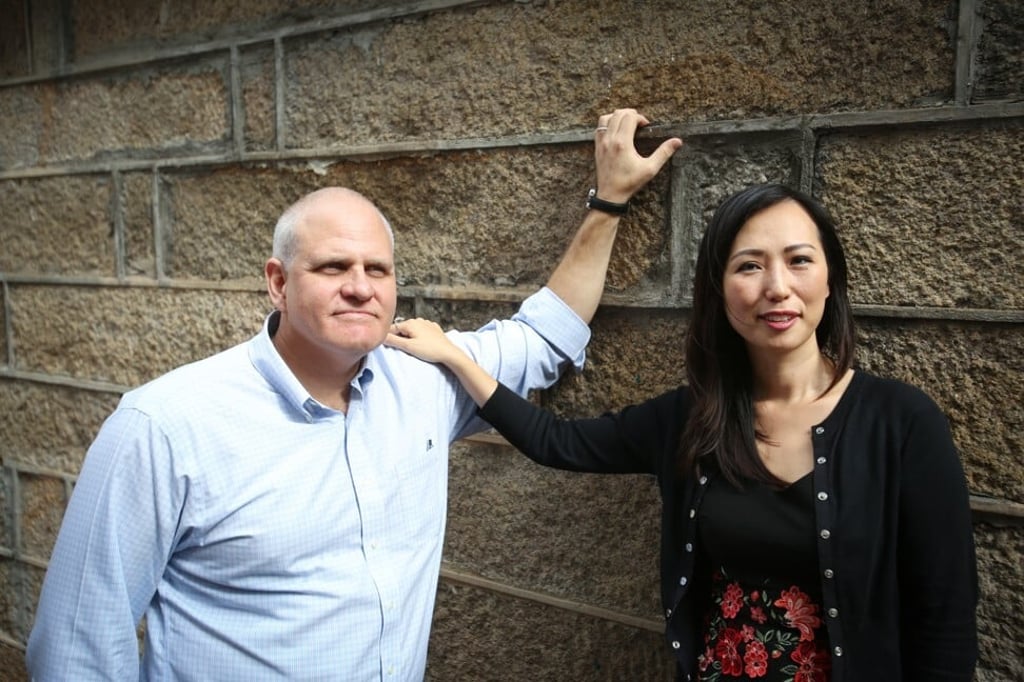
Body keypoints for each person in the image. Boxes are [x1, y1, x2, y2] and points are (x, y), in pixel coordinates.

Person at [25, 109, 683, 681]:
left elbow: (544, 336)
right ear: (279, 283)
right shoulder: (164, 426)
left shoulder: (424, 378)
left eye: (378, 269)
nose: (361, 287)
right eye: (334, 267)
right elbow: (77, 645)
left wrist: (610, 199)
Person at [385, 183, 979, 681]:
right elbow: (558, 441)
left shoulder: (902, 423)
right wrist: (458, 361)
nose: (777, 287)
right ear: (720, 291)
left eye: (800, 260)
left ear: (830, 279)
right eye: (749, 265)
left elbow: (945, 616)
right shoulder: (691, 419)